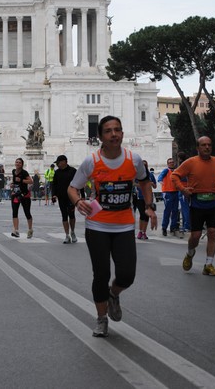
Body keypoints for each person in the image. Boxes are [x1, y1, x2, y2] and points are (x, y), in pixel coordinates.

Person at [68, 115, 157, 338]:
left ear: (123, 134)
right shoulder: (92, 161)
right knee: (101, 274)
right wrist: (78, 201)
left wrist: (149, 206)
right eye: (108, 131)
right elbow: (72, 188)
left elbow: (145, 182)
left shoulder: (133, 159)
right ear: (100, 137)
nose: (114, 134)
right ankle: (101, 319)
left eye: (117, 130)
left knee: (127, 275)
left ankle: (113, 294)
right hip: (97, 225)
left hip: (124, 225)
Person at [171, 136, 215, 277]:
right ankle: (190, 253)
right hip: (197, 202)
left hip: (213, 202)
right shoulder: (190, 162)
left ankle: (208, 265)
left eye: (209, 145)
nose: (207, 147)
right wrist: (183, 189)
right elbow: (175, 176)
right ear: (198, 148)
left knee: (212, 232)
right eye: (203, 145)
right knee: (195, 235)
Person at [52, 154, 79, 244]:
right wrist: (54, 195)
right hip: (61, 197)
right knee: (64, 215)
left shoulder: (73, 171)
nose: (57, 164)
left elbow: (79, 182)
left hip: (71, 197)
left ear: (64, 162)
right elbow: (54, 184)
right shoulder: (57, 172)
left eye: (58, 162)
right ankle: (67, 235)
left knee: (71, 215)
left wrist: (80, 195)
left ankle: (73, 232)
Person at [10, 157, 33, 238]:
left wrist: (21, 180)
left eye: (19, 162)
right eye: (16, 162)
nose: (17, 163)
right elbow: (14, 181)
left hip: (24, 195)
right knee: (14, 212)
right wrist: (12, 184)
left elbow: (31, 181)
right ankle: (16, 230)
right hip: (15, 194)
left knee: (27, 213)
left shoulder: (24, 172)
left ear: (22, 164)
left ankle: (30, 229)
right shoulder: (13, 171)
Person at [157, 157, 180, 237]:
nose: (171, 163)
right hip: (168, 193)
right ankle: (164, 227)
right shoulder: (166, 170)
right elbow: (160, 177)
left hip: (175, 192)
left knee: (175, 211)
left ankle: (173, 227)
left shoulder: (176, 171)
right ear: (168, 164)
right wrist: (160, 181)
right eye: (170, 162)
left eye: (172, 162)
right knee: (167, 211)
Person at [135, 160, 157, 239]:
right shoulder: (138, 175)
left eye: (145, 165)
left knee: (147, 215)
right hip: (140, 197)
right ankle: (140, 231)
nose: (144, 167)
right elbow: (134, 183)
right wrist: (141, 185)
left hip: (149, 197)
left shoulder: (150, 175)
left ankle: (144, 232)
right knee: (142, 214)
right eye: (143, 165)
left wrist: (151, 184)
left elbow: (155, 186)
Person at [177, 152, 190, 235]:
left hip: (183, 188)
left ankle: (187, 225)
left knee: (185, 209)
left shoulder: (182, 166)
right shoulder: (189, 164)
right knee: (188, 208)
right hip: (189, 188)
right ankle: (187, 224)